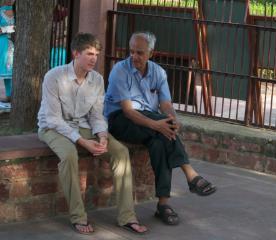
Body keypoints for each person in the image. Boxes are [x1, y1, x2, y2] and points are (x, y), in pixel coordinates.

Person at [37, 33, 147, 235]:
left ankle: (127, 216)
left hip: (83, 125)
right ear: (76, 54)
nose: (93, 59)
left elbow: (97, 115)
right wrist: (83, 142)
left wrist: (103, 136)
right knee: (69, 155)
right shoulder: (54, 76)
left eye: (96, 54)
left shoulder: (96, 79)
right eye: (89, 53)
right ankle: (78, 216)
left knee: (120, 152)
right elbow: (53, 119)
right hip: (52, 127)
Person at [104, 31, 217, 226]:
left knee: (159, 142)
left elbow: (165, 104)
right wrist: (159, 124)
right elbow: (129, 112)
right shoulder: (119, 71)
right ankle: (190, 174)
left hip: (149, 123)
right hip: (120, 120)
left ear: (151, 53)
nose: (134, 56)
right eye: (131, 52)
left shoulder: (158, 72)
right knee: (162, 129)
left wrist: (172, 119)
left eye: (139, 52)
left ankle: (163, 204)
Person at [0, 0, 15, 105]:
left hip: (8, 43)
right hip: (5, 43)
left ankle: (10, 95)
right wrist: (10, 29)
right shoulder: (2, 11)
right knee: (5, 70)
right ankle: (9, 95)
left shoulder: (17, 12)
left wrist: (4, 29)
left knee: (8, 71)